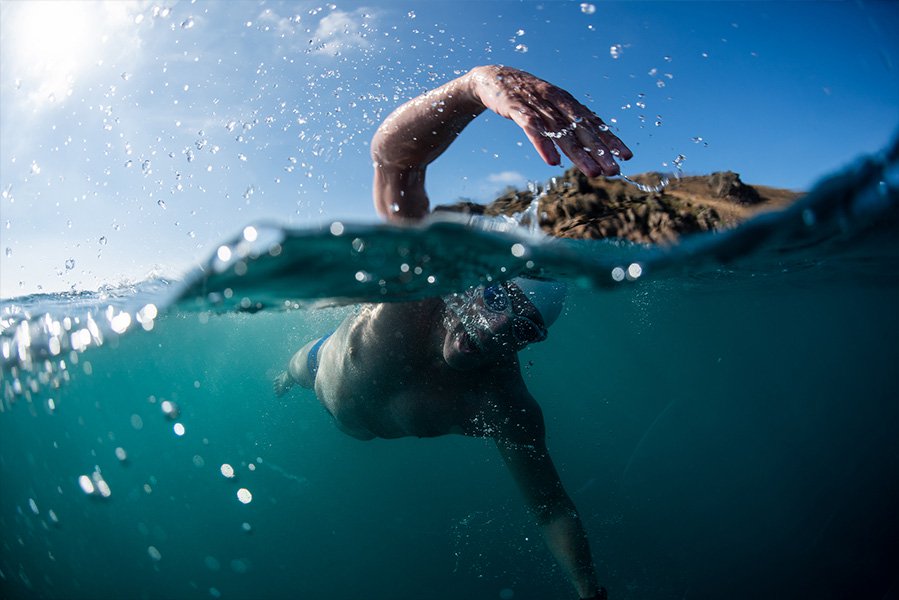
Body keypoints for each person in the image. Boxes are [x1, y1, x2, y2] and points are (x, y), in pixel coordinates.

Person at [274, 65, 633, 600]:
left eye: (521, 328)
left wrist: (589, 588)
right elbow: (395, 161)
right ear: (468, 286)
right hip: (320, 365)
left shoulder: (506, 403)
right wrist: (475, 86)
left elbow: (551, 508)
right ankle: (283, 378)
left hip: (356, 415)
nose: (494, 333)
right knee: (295, 370)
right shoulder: (415, 294)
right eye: (496, 302)